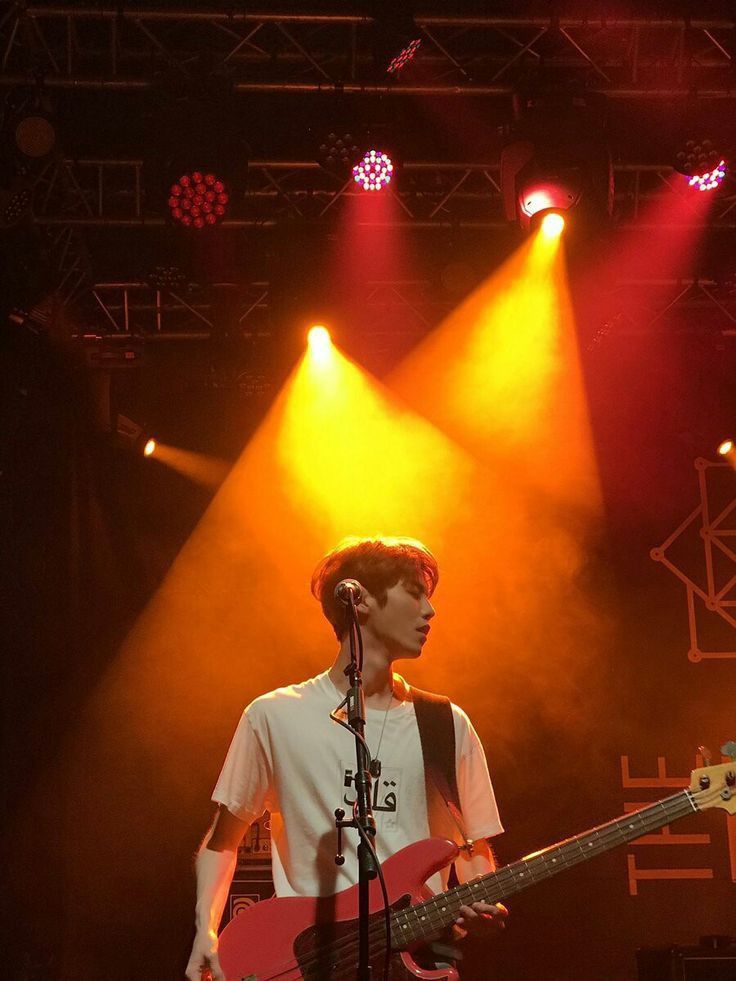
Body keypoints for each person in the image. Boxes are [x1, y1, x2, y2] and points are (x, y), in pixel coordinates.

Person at [185, 536, 507, 981]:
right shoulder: (274, 716)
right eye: (414, 593)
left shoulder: (445, 723)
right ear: (360, 601)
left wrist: (478, 901)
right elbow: (222, 843)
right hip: (314, 959)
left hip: (420, 955)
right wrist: (206, 930)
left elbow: (473, 846)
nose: (430, 611)